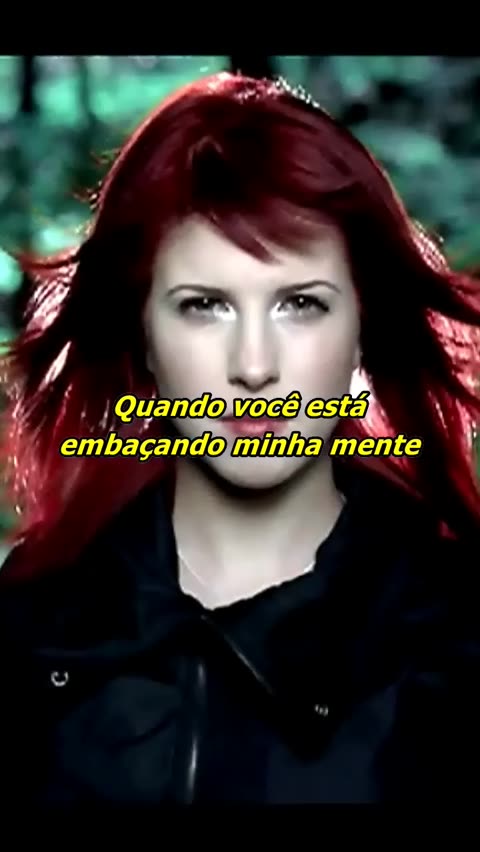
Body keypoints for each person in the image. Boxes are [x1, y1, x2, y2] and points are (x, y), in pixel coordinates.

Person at [0, 71, 479, 806]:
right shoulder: (33, 628)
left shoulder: (455, 639)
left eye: (300, 304)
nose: (254, 367)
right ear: (142, 335)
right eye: (205, 306)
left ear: (363, 328)